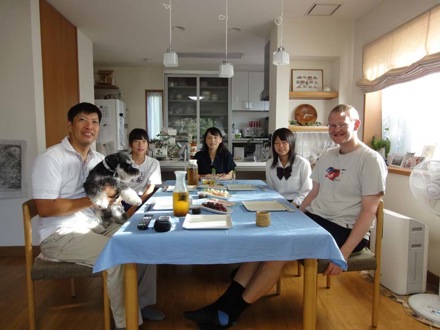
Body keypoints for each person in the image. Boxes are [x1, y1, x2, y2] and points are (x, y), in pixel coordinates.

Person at [184, 104, 387, 329]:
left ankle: (229, 314)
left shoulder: (370, 160)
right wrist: (296, 215)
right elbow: (313, 192)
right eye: (332, 125)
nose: (336, 129)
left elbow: (369, 211)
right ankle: (220, 306)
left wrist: (344, 252)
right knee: (263, 243)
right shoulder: (328, 155)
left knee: (277, 251)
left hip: (343, 229)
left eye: (342, 124)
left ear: (356, 124)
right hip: (315, 219)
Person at [31, 102, 164, 330]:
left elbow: (109, 193)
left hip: (94, 224)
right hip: (60, 234)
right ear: (69, 125)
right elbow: (45, 208)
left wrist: (114, 198)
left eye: (94, 121)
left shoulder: (98, 158)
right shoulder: (51, 159)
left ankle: (138, 306)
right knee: (118, 256)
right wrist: (97, 198)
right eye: (82, 120)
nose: (89, 126)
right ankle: (126, 324)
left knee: (144, 243)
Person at [265, 127, 312, 206]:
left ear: (291, 143)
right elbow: (270, 188)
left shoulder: (303, 163)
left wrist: (294, 204)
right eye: (276, 143)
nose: (280, 146)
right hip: (277, 203)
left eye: (284, 142)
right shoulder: (270, 163)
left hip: (298, 204)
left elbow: (307, 190)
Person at [123, 128, 162, 218]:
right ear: (130, 144)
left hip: (141, 198)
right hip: (124, 198)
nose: (140, 145)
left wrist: (133, 209)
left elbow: (150, 189)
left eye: (144, 141)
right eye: (136, 141)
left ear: (148, 144)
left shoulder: (153, 163)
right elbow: (118, 187)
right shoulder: (123, 161)